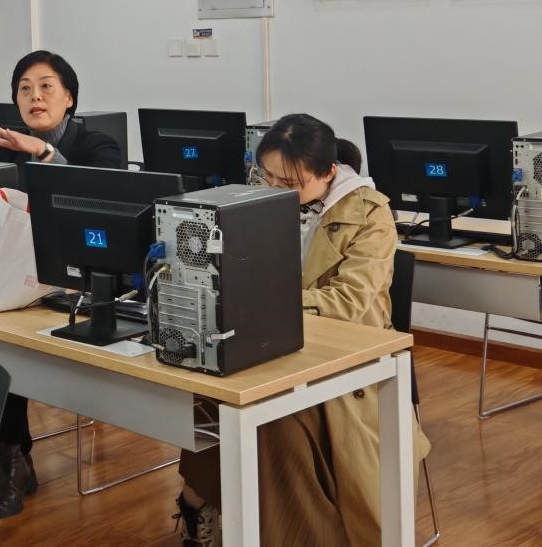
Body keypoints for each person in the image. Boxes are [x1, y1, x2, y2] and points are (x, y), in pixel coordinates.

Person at [175, 113, 430, 547]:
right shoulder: (255, 201)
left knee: (274, 424)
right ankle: (201, 505)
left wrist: (266, 304)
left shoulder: (370, 213)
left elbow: (349, 302)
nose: (275, 189)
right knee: (210, 397)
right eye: (267, 176)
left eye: (290, 182)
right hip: (270, 344)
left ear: (328, 172)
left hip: (349, 361)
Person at [0, 49, 123, 519]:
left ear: (69, 98)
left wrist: (44, 153)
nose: (35, 96)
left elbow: (101, 202)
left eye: (46, 86)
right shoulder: (4, 148)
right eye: (24, 89)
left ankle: (13, 464)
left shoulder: (99, 146)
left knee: (5, 338)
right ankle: (12, 458)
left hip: (87, 281)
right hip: (25, 279)